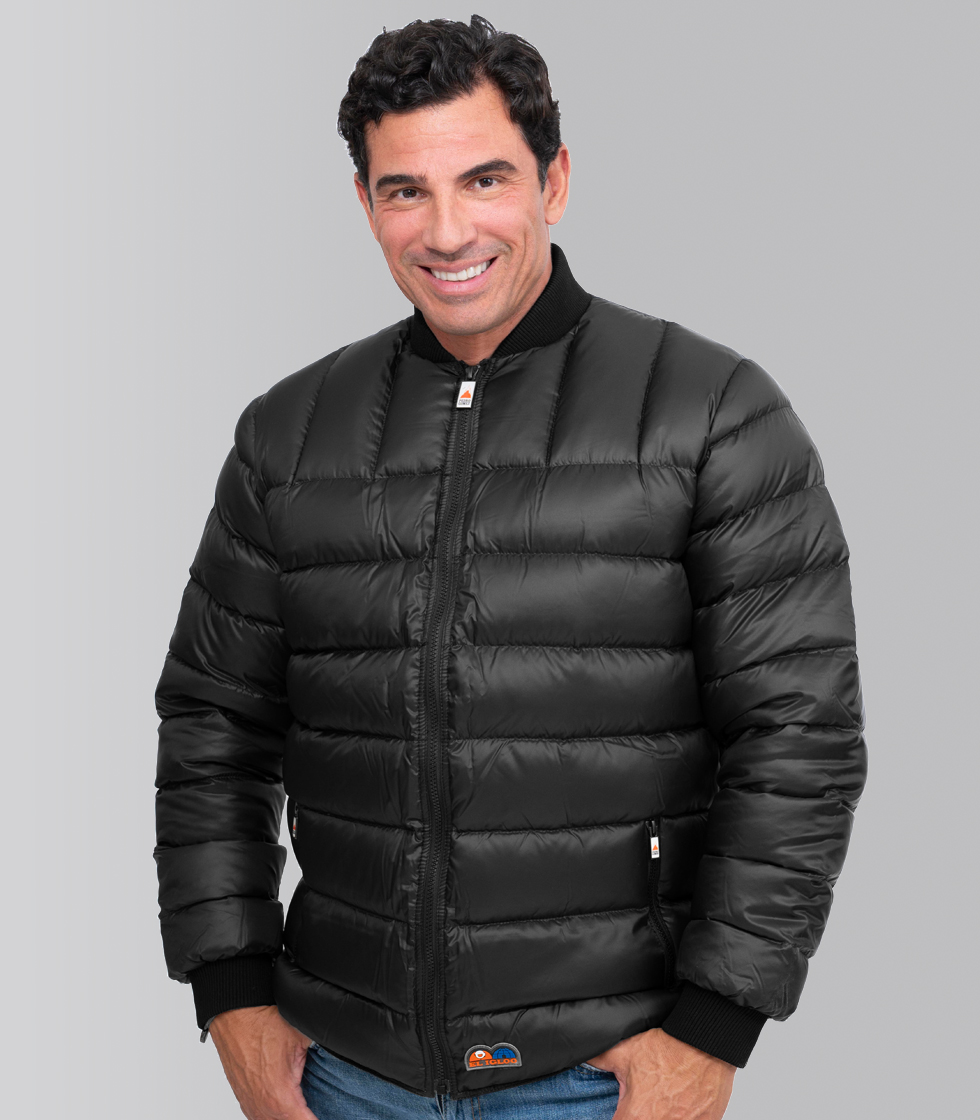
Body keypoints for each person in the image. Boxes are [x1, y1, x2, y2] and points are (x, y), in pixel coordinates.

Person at [154, 15, 868, 1120]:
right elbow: (213, 726)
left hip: (595, 1077)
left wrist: (713, 1029)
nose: (447, 231)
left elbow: (799, 742)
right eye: (405, 190)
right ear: (365, 202)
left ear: (554, 180)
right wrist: (231, 991)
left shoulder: (713, 413)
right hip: (342, 1071)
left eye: (484, 179)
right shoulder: (287, 435)